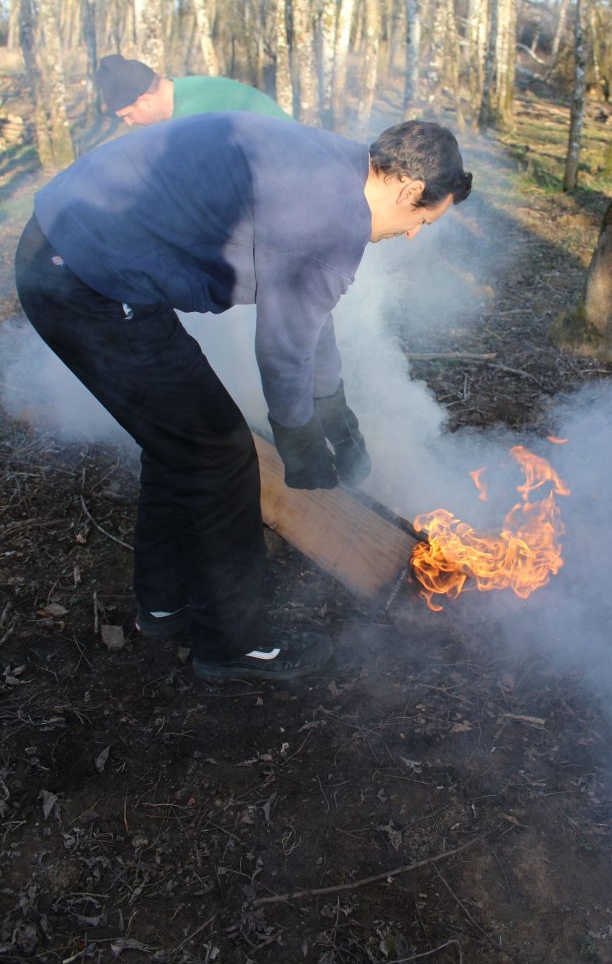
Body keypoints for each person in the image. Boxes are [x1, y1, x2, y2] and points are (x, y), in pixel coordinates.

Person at [15, 114, 472, 684]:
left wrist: (334, 407)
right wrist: (298, 435)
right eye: (423, 218)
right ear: (408, 189)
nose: (412, 234)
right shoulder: (332, 221)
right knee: (222, 457)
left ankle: (164, 603)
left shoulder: (333, 165)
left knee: (180, 442)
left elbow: (308, 317)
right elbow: (282, 352)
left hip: (73, 254)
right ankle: (234, 643)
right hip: (84, 281)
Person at [96, 53, 291, 126]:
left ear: (145, 101)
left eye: (127, 115)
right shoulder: (184, 93)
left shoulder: (198, 115)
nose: (129, 123)